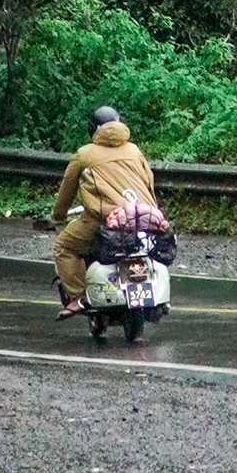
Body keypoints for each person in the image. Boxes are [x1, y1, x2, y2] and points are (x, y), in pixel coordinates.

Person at [50, 101, 161, 317]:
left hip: (103, 221)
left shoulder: (84, 154)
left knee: (64, 247)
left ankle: (78, 297)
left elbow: (67, 190)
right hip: (142, 217)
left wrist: (58, 216)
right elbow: (149, 181)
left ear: (92, 129)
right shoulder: (134, 150)